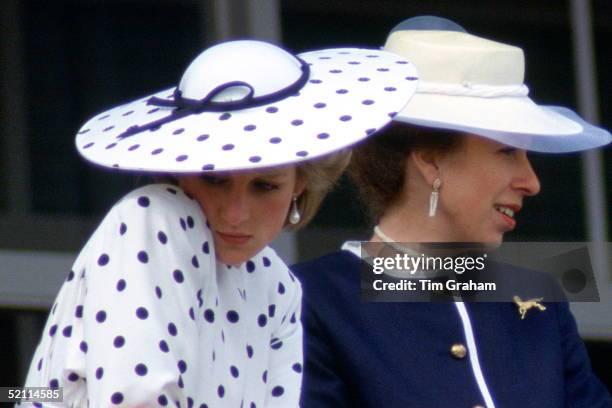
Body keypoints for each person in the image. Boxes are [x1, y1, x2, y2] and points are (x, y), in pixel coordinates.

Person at [20, 39, 419, 407]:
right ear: (179, 171)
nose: (235, 212)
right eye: (214, 179)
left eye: (265, 185)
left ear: (301, 184)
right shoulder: (155, 217)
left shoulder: (278, 284)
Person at [292, 17, 612, 408]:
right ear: (430, 162)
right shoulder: (311, 300)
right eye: (508, 151)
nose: (532, 182)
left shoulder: (540, 303)